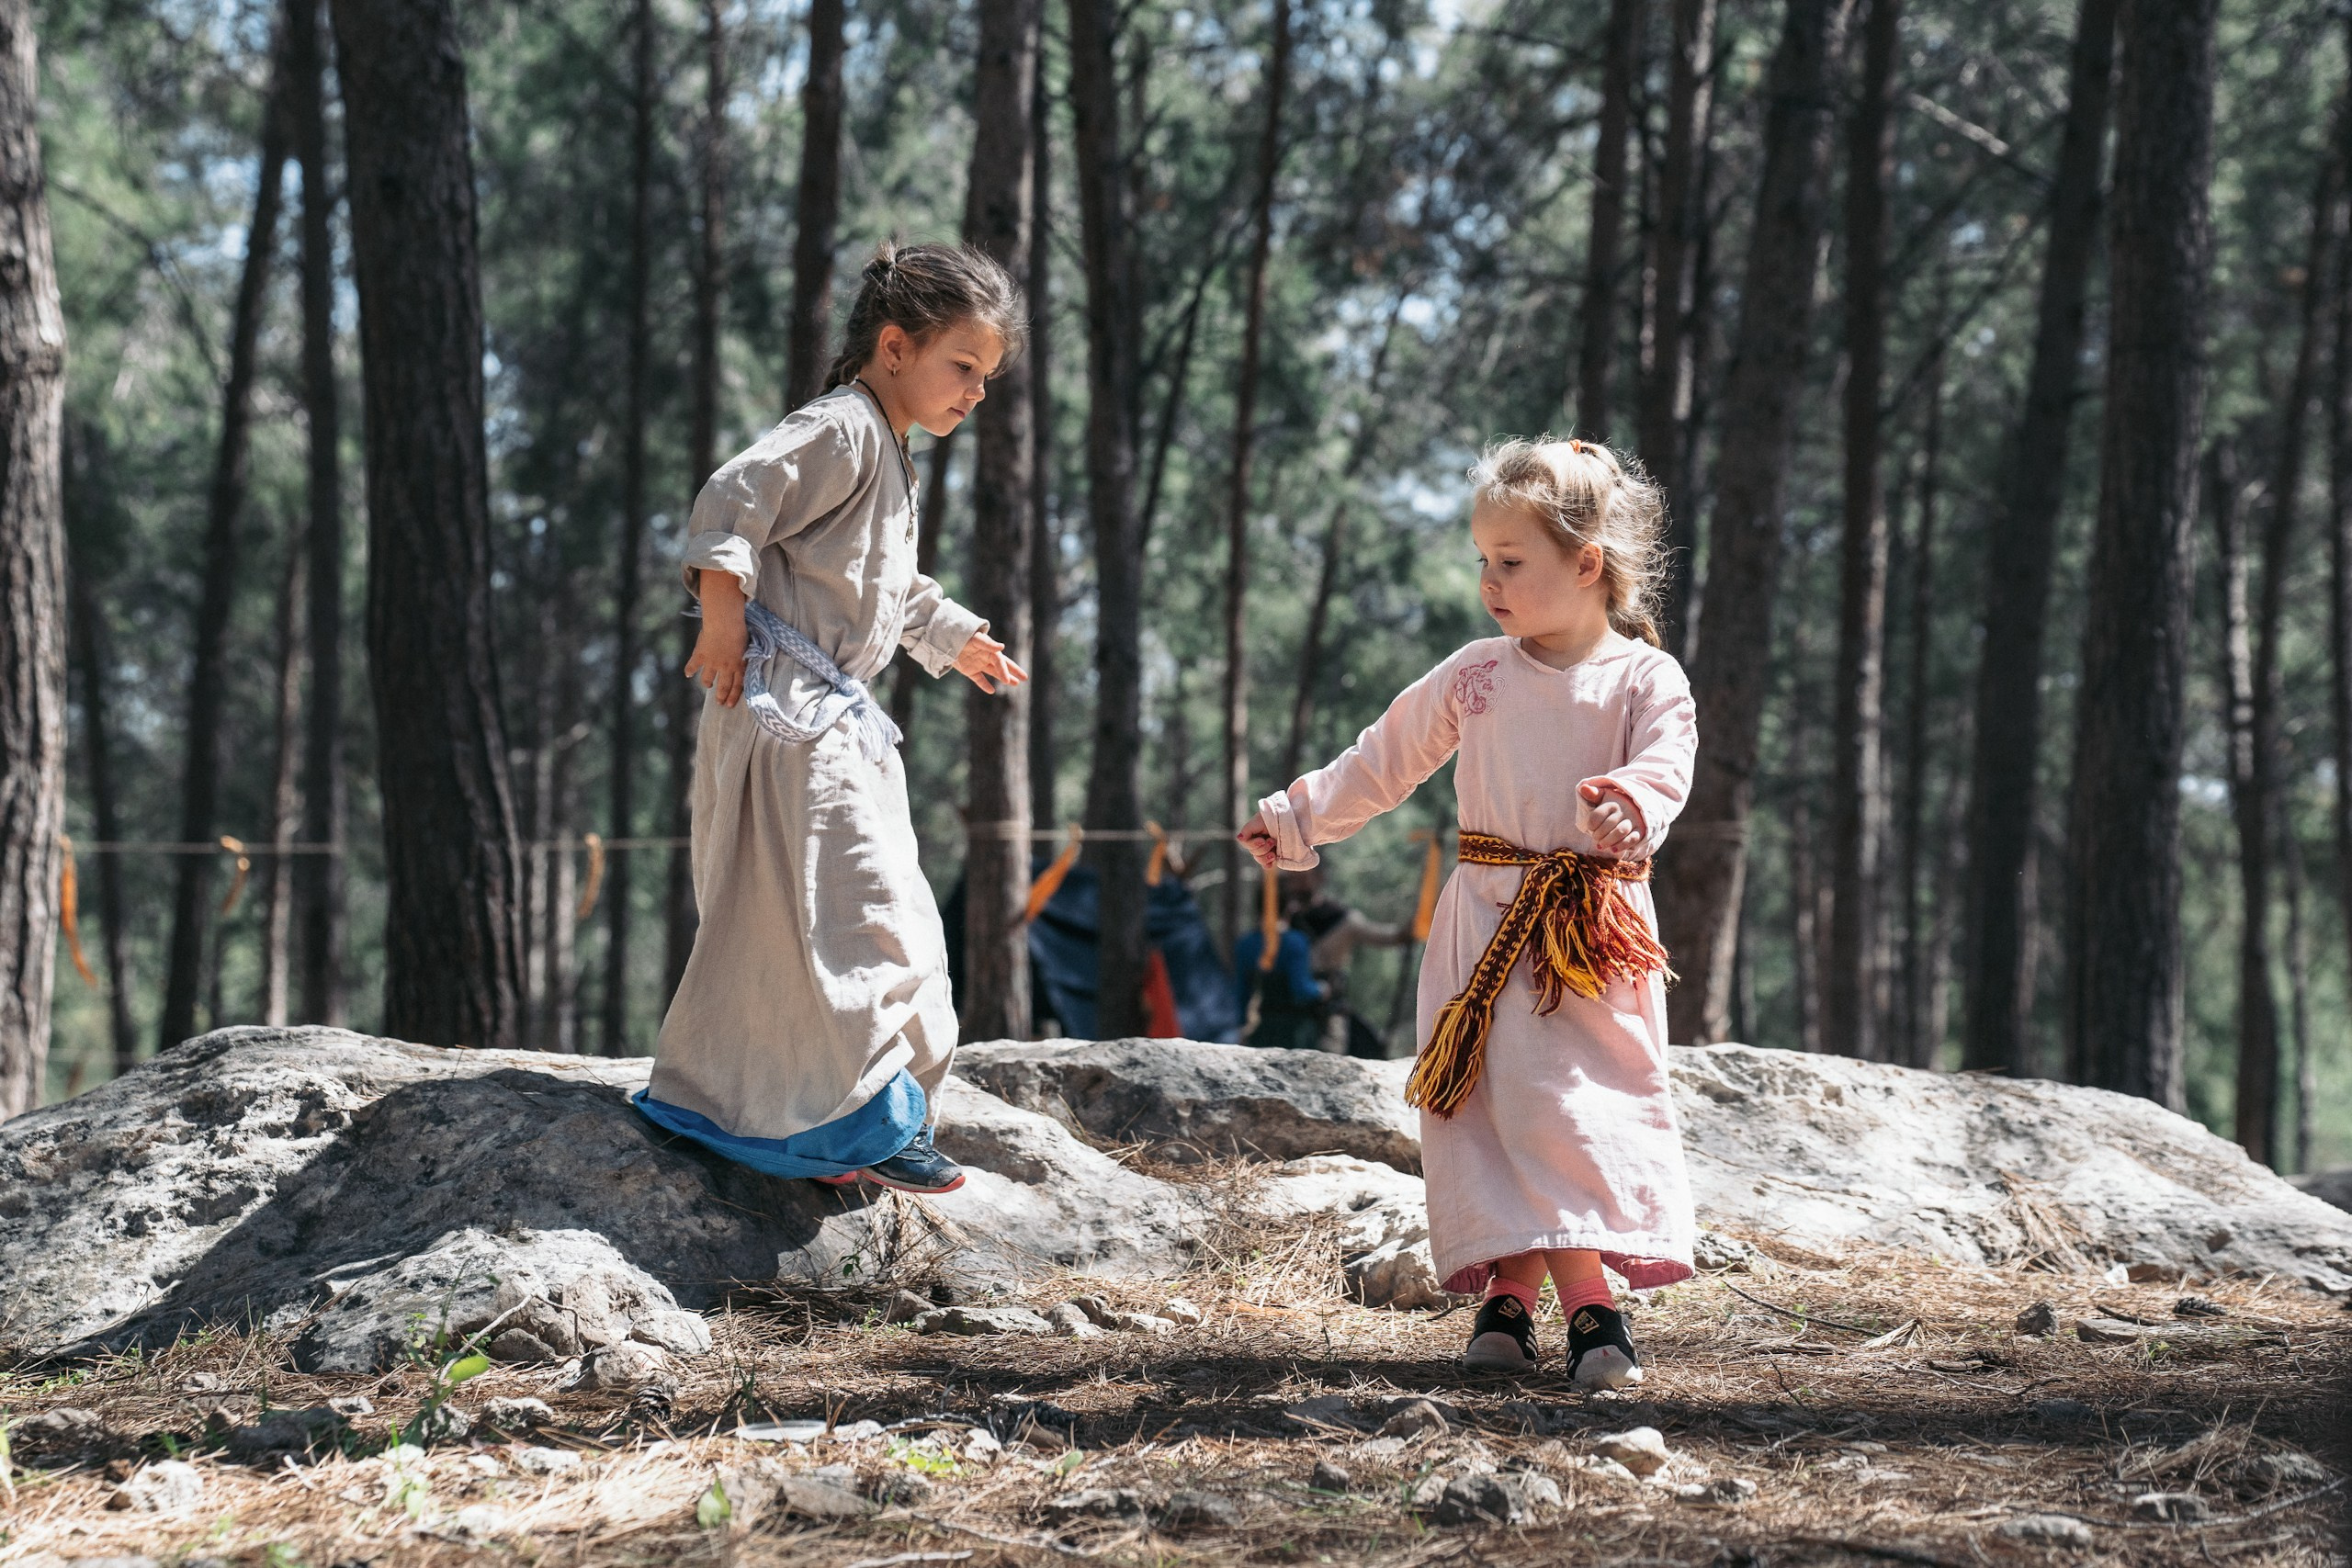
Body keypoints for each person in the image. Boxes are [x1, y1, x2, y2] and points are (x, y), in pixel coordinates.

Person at [1238, 436, 1696, 1390]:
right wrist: (1296, 818)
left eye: (1511, 561)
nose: (1489, 581)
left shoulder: (1646, 678)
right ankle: (1520, 1307)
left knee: (1566, 1112)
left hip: (1588, 939)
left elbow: (1667, 762)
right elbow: (1383, 759)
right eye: (1483, 559)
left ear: (1586, 564)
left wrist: (1632, 802)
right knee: (1496, 1112)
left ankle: (1582, 1310)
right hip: (1485, 926)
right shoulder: (1474, 674)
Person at [633, 243, 1028, 1197]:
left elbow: (881, 582)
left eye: (987, 375)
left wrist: (954, 637)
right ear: (895, 347)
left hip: (824, 719)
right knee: (866, 921)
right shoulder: (844, 427)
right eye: (962, 366)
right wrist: (722, 618)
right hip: (789, 719)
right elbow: (735, 497)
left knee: (803, 928)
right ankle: (862, 1119)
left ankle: (790, 1121)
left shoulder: (885, 449)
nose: (976, 392)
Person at [1231, 881, 1328, 1052]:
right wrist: (1321, 989)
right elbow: (1301, 990)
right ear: (1288, 907)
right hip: (1295, 1034)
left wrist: (1239, 1029)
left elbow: (1241, 996)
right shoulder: (1295, 942)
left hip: (1262, 1031)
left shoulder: (1245, 945)